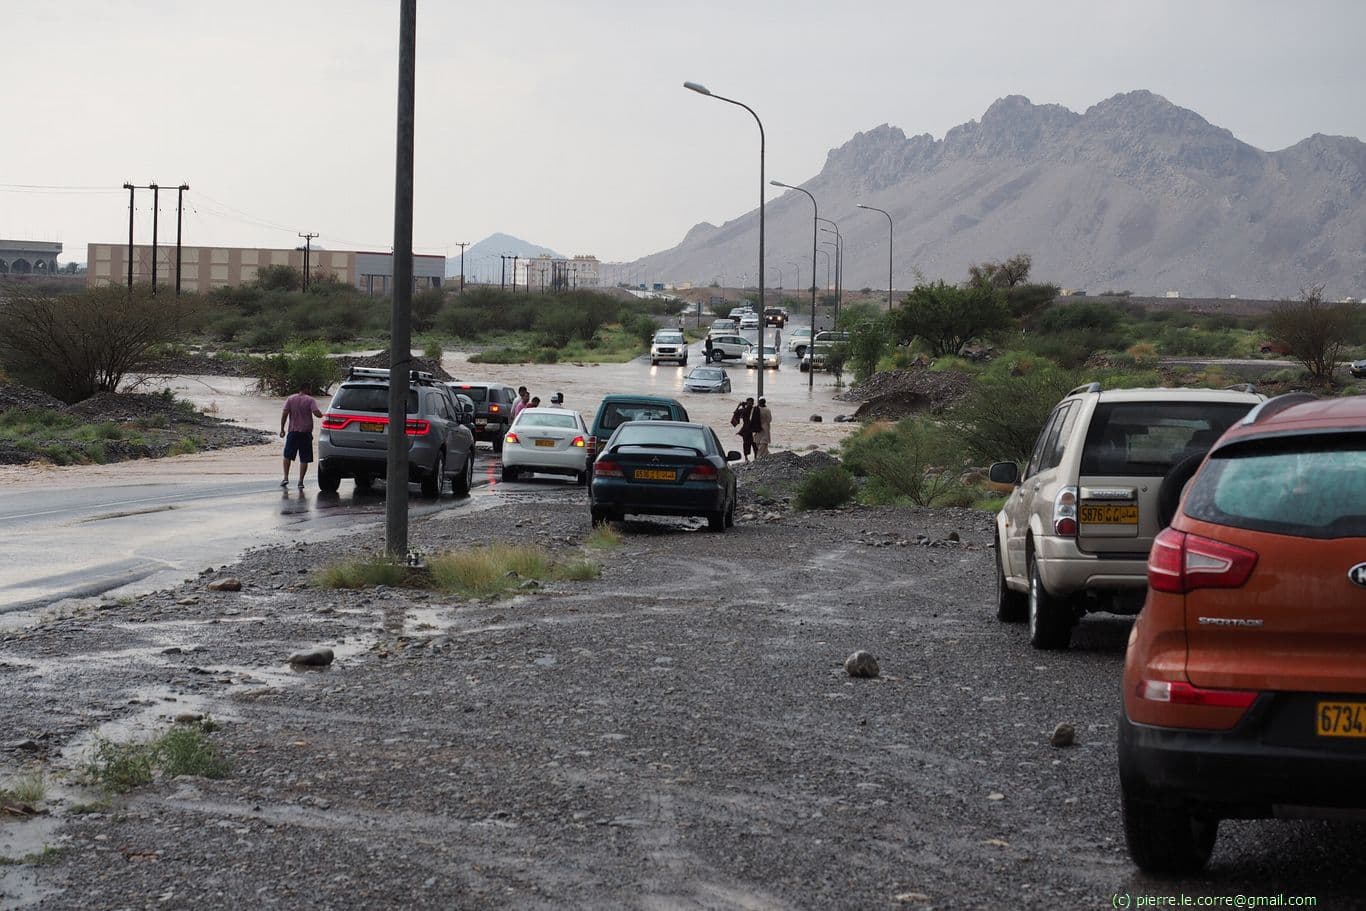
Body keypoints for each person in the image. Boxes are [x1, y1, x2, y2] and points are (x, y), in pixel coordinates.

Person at [280, 381, 323, 489]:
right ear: (306, 388)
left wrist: (282, 429)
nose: (311, 391)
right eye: (310, 389)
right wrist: (321, 414)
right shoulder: (310, 400)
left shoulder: (290, 399)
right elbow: (316, 413)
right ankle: (300, 481)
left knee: (287, 456)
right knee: (304, 458)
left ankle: (285, 477)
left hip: (292, 432)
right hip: (305, 433)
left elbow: (284, 414)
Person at [732, 397, 755, 463]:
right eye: (749, 403)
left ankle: (747, 458)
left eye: (750, 403)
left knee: (749, 444)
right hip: (750, 429)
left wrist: (739, 405)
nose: (750, 404)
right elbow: (736, 413)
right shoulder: (754, 409)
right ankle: (751, 457)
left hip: (747, 429)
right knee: (751, 444)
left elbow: (735, 413)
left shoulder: (744, 410)